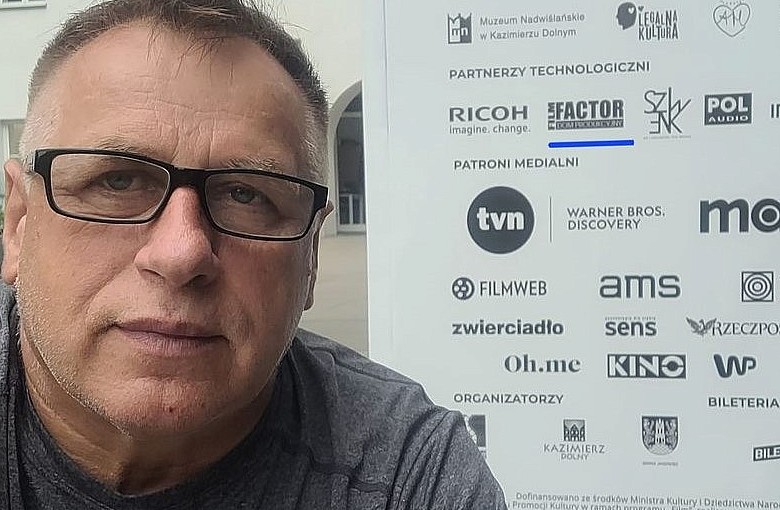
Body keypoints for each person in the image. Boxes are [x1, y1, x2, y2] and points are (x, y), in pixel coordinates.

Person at [0, 1, 507, 508]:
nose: (181, 253)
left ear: (311, 257)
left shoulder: (409, 474)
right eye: (118, 181)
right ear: (19, 221)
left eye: (246, 195)